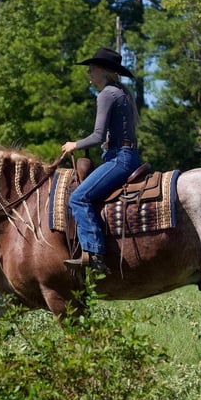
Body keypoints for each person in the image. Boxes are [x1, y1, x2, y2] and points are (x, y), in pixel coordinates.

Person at [61, 47, 142, 274]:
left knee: (78, 198)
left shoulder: (107, 94)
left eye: (92, 68)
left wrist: (74, 145)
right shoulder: (121, 92)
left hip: (119, 159)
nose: (89, 72)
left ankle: (94, 253)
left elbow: (98, 136)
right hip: (130, 156)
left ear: (104, 71)